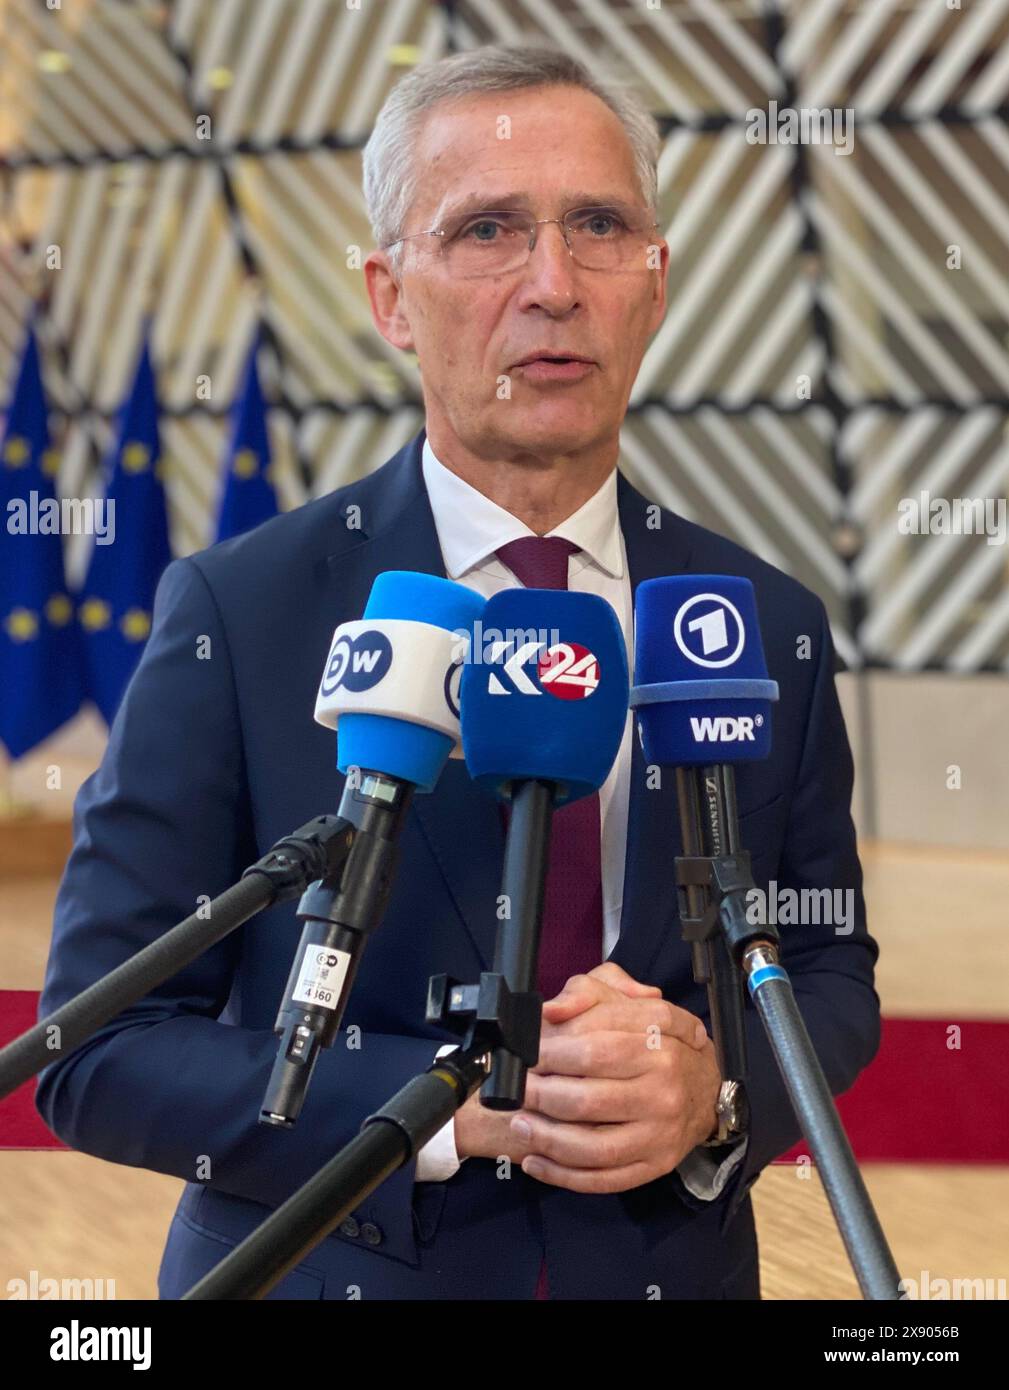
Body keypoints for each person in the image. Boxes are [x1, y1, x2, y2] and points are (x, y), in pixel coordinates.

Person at [37, 44, 880, 1300]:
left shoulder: (761, 622)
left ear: (654, 284)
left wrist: (714, 1092)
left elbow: (825, 970)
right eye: (487, 229)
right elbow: (95, 1046)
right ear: (389, 297)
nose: (552, 284)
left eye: (598, 226)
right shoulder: (241, 611)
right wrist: (432, 1105)